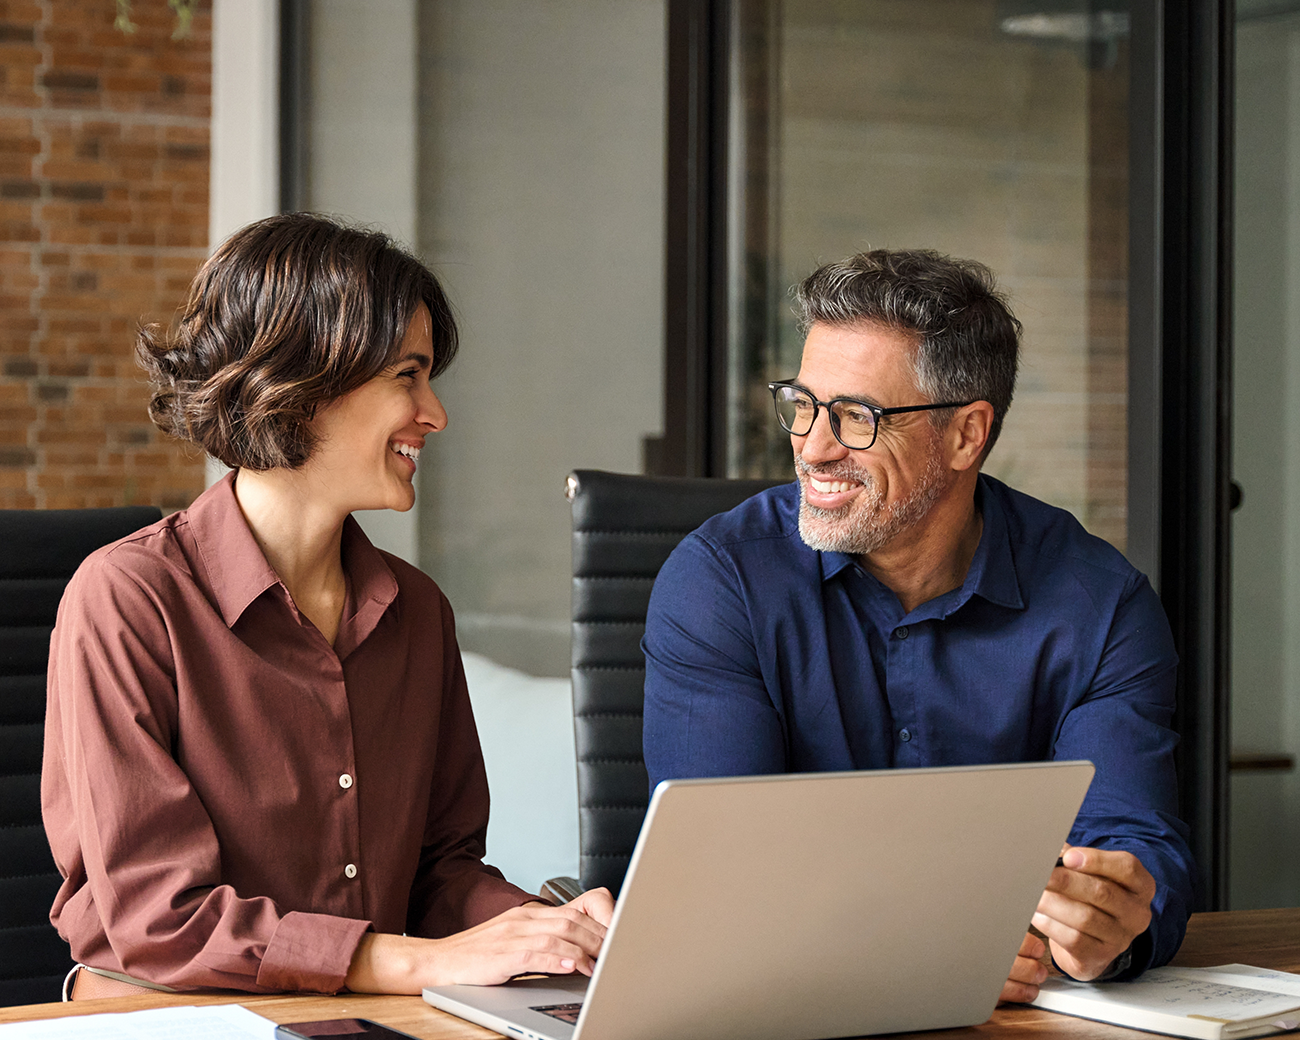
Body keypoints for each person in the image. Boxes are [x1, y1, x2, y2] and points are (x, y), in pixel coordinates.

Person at [42, 213, 612, 998]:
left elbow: (439, 875)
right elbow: (160, 917)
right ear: (304, 386)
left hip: (360, 1013)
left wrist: (553, 932)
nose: (435, 413)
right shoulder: (128, 601)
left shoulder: (417, 612)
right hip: (174, 1012)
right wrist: (417, 962)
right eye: (407, 376)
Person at [642, 249, 1195, 1001]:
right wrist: (925, 943)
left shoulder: (1101, 606)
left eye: (857, 417)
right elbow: (713, 870)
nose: (812, 446)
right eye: (802, 404)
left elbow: (1134, 848)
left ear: (968, 434)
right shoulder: (722, 581)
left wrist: (1107, 929)